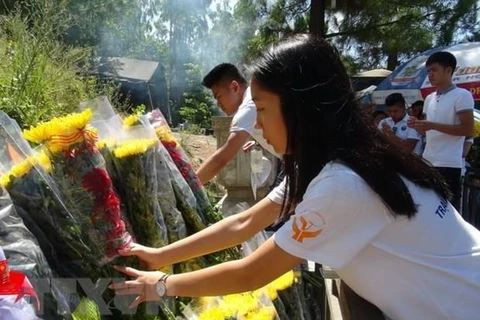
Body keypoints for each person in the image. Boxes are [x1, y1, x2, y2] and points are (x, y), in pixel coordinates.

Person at [110, 34, 480, 319]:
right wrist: (160, 255)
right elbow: (245, 222)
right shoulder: (337, 160)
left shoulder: (343, 183)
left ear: (304, 109)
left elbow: (251, 273)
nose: (256, 124)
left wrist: (161, 285)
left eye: (265, 109)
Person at [408, 51, 475, 210]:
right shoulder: (429, 98)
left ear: (448, 70)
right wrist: (418, 126)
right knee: (428, 209)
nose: (430, 74)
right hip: (428, 161)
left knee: (447, 212)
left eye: (434, 70)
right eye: (428, 71)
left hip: (449, 164)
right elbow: (427, 132)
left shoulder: (462, 95)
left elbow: (468, 128)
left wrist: (432, 125)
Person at [195, 63, 278, 185]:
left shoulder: (247, 107)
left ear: (234, 87)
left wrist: (188, 186)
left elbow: (221, 158)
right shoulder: (254, 96)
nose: (218, 104)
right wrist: (260, 141)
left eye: (218, 97)